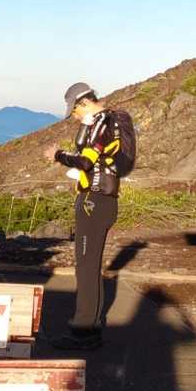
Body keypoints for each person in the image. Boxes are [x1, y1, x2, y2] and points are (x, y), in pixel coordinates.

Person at [42, 81, 135, 351]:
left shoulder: (101, 123)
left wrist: (58, 155)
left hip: (93, 201)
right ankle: (89, 329)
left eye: (74, 111)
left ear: (84, 103)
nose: (74, 116)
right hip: (104, 200)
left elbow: (85, 162)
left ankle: (82, 332)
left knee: (85, 268)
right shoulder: (111, 121)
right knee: (90, 266)